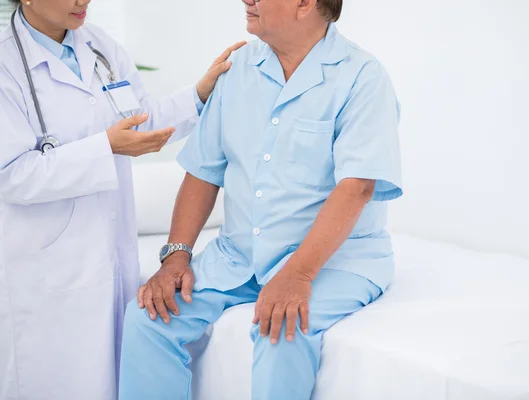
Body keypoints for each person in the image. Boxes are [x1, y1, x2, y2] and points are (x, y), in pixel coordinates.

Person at [119, 0, 402, 398]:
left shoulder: (361, 76)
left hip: (335, 260)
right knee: (149, 318)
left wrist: (298, 276)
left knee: (281, 330)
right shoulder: (238, 70)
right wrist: (177, 254)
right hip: (240, 255)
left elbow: (356, 187)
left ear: (305, 3)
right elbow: (204, 170)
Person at [0, 0, 244, 398]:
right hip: (45, 269)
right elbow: (11, 175)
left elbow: (139, 117)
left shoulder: (99, 46)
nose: (84, 1)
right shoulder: (6, 65)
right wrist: (105, 148)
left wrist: (199, 94)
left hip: (108, 255)